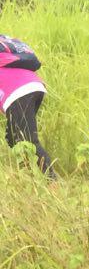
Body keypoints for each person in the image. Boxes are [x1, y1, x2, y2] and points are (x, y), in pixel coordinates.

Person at [0, 35, 54, 177]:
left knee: (29, 139)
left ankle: (52, 182)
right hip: (33, 85)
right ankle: (27, 174)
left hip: (18, 91)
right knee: (13, 138)